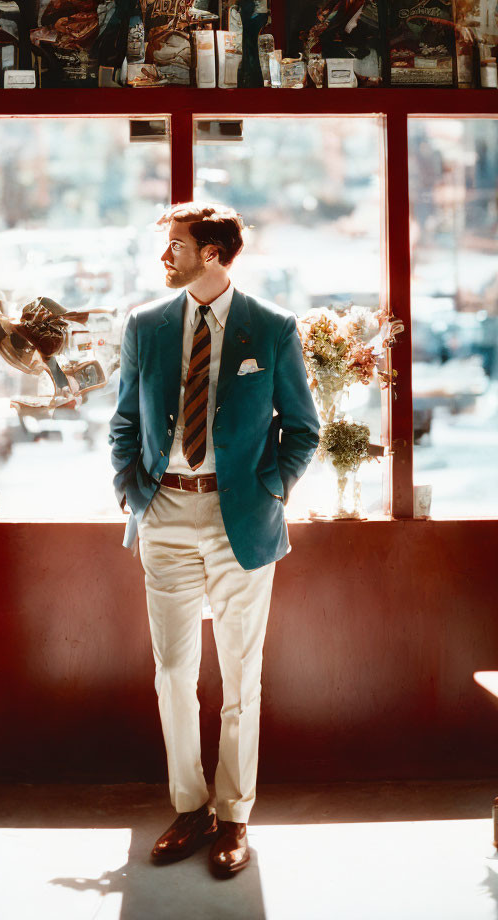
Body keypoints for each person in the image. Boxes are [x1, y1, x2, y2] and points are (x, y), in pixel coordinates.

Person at [109, 203, 320, 877]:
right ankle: (189, 806)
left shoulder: (273, 327)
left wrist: (273, 491)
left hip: (243, 523)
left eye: (174, 245)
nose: (163, 257)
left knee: (239, 676)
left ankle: (235, 817)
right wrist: (131, 489)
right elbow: (122, 421)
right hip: (164, 512)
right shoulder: (145, 325)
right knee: (173, 672)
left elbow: (304, 430)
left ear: (210, 253)